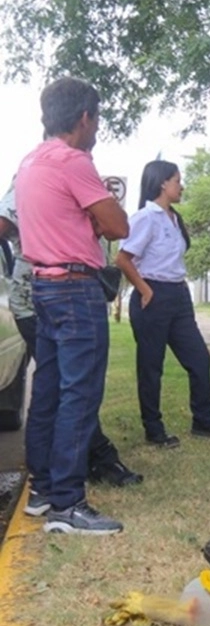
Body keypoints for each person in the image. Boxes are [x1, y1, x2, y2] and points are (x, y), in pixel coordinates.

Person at [14, 77, 129, 534]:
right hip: (76, 290)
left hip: (43, 285)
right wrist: (96, 208)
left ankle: (43, 489)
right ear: (84, 117)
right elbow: (118, 225)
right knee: (80, 395)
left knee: (48, 392)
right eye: (96, 117)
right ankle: (68, 502)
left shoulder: (30, 162)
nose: (97, 126)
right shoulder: (74, 161)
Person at [1, 182, 142, 503]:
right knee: (72, 389)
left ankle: (51, 482)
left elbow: (112, 228)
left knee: (63, 388)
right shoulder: (32, 183)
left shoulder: (60, 180)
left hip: (51, 294)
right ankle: (91, 467)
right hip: (40, 298)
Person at [116, 160, 210, 447]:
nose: (181, 186)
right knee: (151, 366)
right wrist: (144, 290)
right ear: (162, 184)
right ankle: (154, 430)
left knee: (199, 359)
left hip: (178, 297)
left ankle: (203, 421)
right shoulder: (146, 217)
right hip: (153, 296)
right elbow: (123, 259)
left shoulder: (175, 218)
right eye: (177, 181)